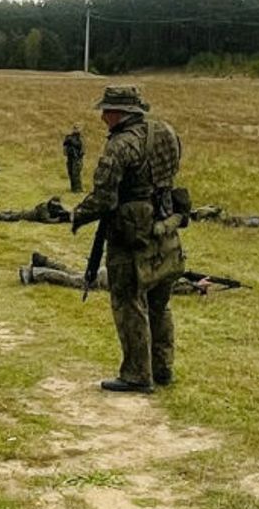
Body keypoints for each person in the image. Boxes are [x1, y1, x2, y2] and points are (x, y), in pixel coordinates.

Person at [70, 85, 185, 393]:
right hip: (165, 226)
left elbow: (104, 199)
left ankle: (136, 373)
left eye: (106, 110)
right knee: (160, 303)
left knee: (128, 300)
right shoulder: (166, 132)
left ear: (120, 113)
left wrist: (77, 215)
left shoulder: (120, 146)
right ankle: (162, 368)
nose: (102, 116)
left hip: (130, 235)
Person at [17, 251, 244, 296]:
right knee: (75, 281)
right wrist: (197, 288)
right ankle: (36, 273)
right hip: (116, 279)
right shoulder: (165, 276)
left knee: (80, 274)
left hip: (116, 271)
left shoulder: (158, 263)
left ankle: (45, 261)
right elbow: (173, 287)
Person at [0, 196, 71, 224]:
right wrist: (59, 220)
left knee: (5, 214)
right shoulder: (44, 208)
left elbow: (61, 211)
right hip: (23, 216)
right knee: (5, 218)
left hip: (23, 213)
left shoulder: (53, 207)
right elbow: (46, 220)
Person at [62, 128, 85, 193]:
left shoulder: (80, 139)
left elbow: (80, 146)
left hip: (77, 158)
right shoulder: (69, 138)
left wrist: (71, 141)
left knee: (76, 173)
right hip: (70, 158)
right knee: (70, 173)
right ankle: (73, 188)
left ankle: (78, 189)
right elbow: (65, 144)